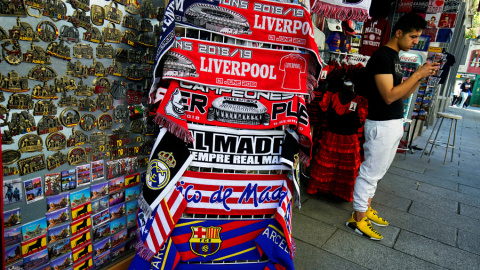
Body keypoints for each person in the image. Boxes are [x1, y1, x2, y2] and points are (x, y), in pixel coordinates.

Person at [346, 13, 440, 240]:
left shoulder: (395, 56)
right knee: (370, 173)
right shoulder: (382, 57)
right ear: (399, 33)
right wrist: (417, 73)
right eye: (413, 36)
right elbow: (388, 96)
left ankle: (364, 209)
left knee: (377, 173)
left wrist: (418, 78)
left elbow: (401, 95)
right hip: (381, 123)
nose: (415, 41)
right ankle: (357, 220)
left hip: (393, 122)